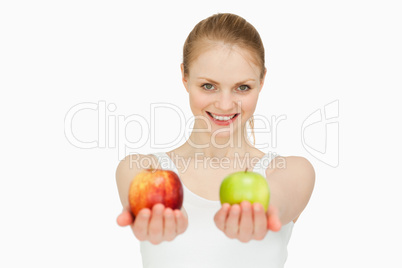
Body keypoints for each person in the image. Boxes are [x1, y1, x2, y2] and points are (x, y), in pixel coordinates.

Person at [115, 13, 315, 268]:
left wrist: (260, 211)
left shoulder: (292, 171)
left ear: (262, 81)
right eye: (209, 86)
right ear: (185, 77)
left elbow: (278, 199)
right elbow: (143, 197)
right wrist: (163, 213)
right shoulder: (142, 169)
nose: (224, 104)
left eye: (242, 87)